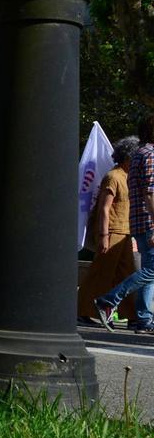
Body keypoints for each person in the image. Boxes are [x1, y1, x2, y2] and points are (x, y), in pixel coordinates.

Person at [96, 115, 154, 334]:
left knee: (150, 270)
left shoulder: (139, 154)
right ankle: (108, 300)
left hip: (139, 220)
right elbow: (150, 194)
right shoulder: (150, 155)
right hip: (149, 220)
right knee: (151, 270)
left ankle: (144, 320)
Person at [79, 136, 140, 325]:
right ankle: (82, 310)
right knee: (101, 272)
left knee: (126, 274)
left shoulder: (128, 177)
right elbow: (104, 208)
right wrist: (104, 236)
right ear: (128, 157)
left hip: (125, 232)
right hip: (111, 232)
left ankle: (131, 315)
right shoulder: (113, 177)